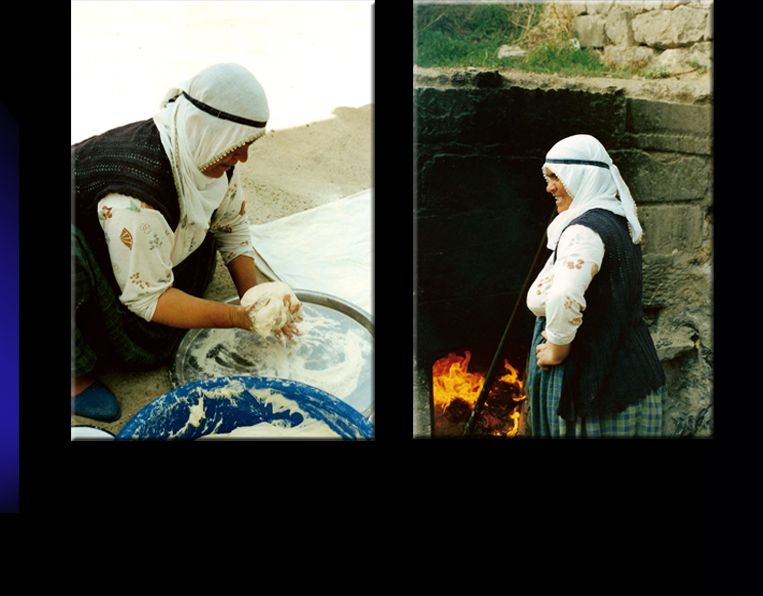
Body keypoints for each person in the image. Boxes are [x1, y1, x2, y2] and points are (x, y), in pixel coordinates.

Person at [71, 64, 301, 421]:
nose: (242, 159)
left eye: (246, 145)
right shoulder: (135, 201)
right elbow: (148, 298)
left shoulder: (210, 153)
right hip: (83, 242)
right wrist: (236, 318)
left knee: (200, 236)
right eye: (237, 147)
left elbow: (231, 222)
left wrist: (253, 298)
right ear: (204, 129)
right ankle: (75, 376)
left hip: (134, 240)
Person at [524, 134, 667, 438]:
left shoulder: (584, 232)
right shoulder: (617, 221)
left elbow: (564, 296)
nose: (549, 186)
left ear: (581, 176)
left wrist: (557, 350)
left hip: (595, 381)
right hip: (631, 369)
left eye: (556, 177)